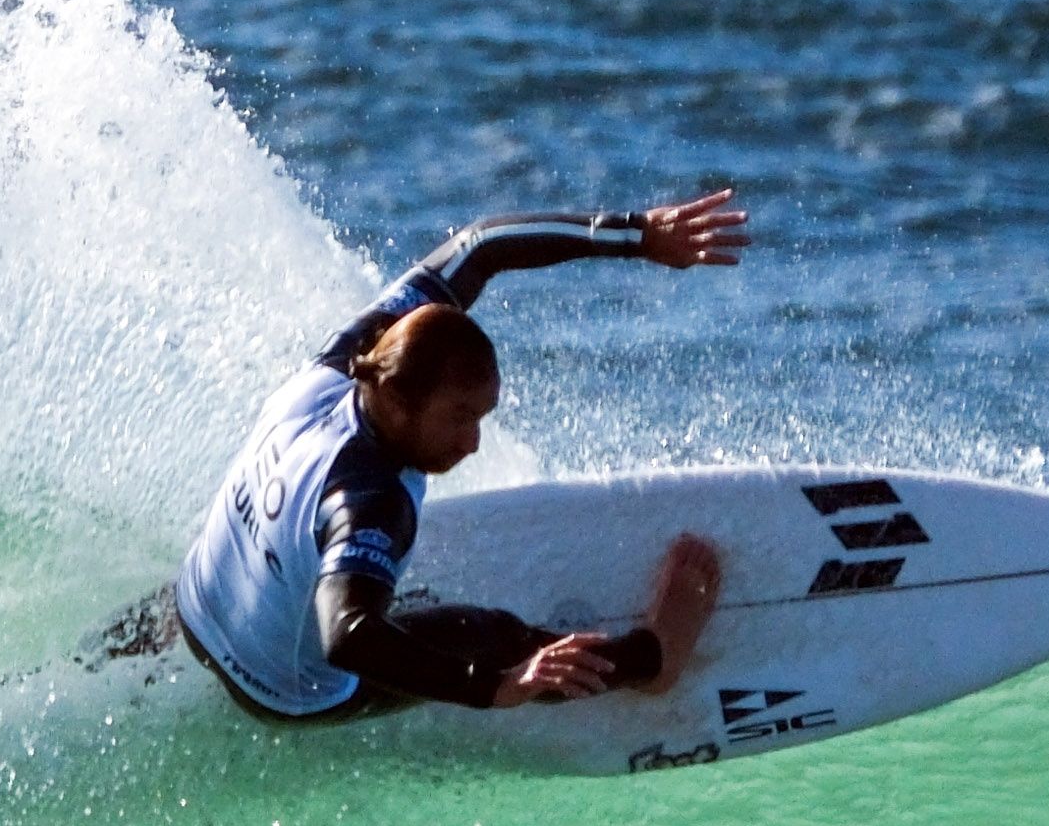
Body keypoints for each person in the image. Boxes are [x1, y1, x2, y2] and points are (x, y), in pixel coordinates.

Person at [161, 188, 742, 723]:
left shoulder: (349, 360)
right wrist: (500, 686)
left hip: (197, 609)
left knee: (313, 566)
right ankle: (653, 660)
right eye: (459, 418)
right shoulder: (372, 501)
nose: (473, 442)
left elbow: (480, 246)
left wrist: (637, 232)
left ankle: (155, 626)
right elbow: (349, 636)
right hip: (282, 692)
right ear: (395, 398)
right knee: (495, 636)